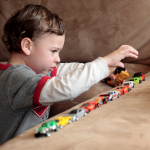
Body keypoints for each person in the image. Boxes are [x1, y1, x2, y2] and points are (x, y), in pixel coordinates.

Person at [0, 4, 138, 145]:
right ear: (27, 46)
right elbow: (65, 89)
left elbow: (63, 69)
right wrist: (104, 62)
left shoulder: (35, 71)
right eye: (53, 51)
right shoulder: (15, 78)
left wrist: (103, 71)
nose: (58, 58)